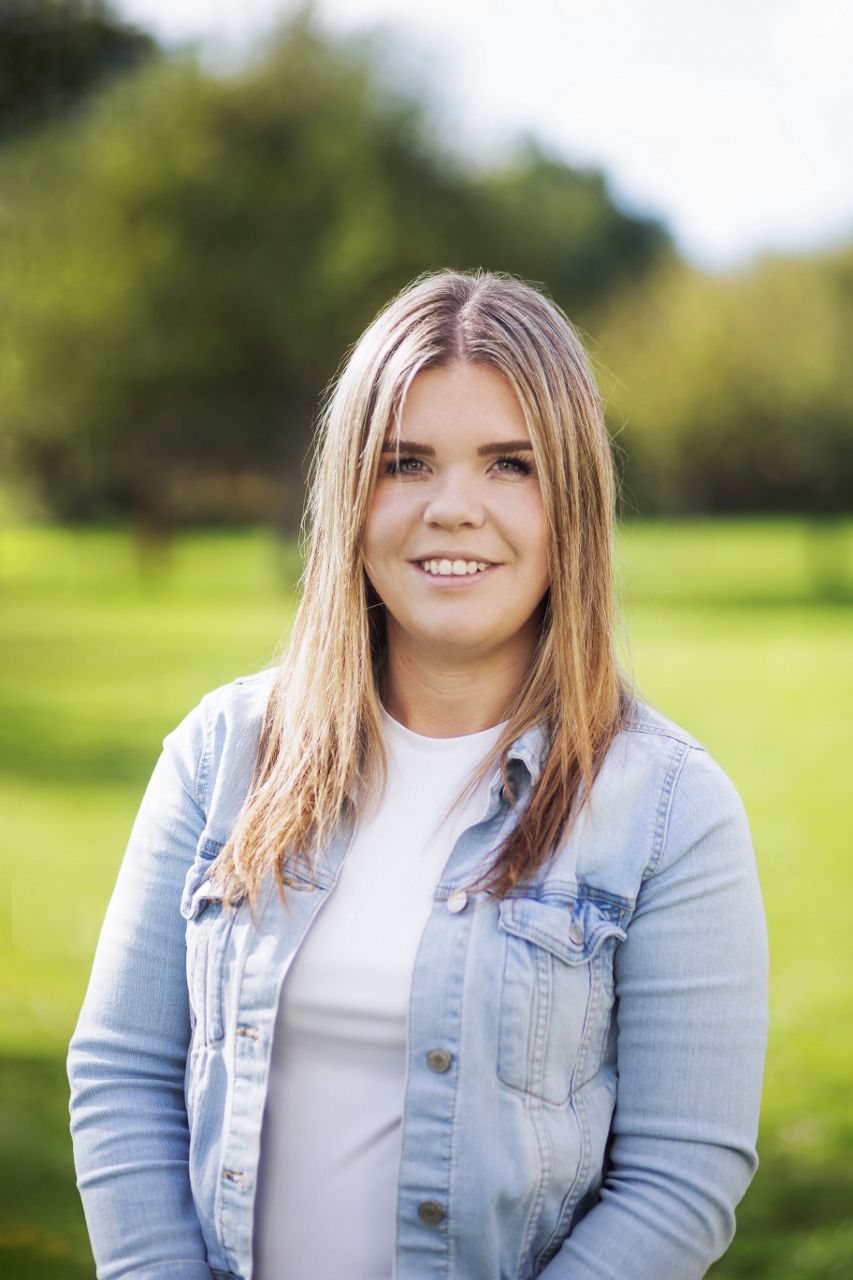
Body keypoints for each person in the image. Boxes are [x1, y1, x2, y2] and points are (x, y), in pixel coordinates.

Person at [68, 271, 768, 1280]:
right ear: (351, 494)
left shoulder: (669, 812)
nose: (453, 509)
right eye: (406, 463)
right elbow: (122, 1074)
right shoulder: (219, 755)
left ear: (573, 499)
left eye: (509, 465)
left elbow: (679, 1178)